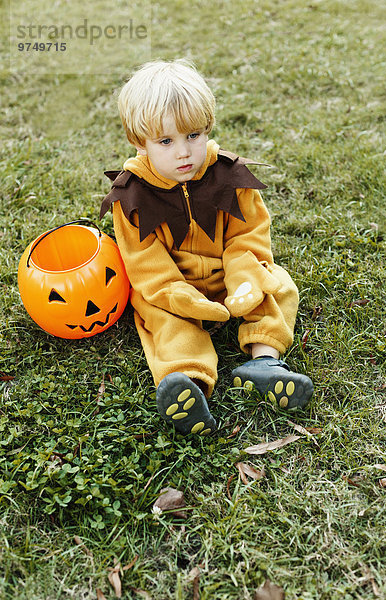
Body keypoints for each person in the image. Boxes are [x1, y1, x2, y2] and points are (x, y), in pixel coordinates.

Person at [100, 59, 313, 436]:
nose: (183, 153)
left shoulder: (230, 177)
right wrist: (181, 297)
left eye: (193, 136)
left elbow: (248, 239)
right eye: (166, 141)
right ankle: (189, 386)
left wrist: (244, 279)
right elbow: (146, 265)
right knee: (162, 320)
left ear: (207, 128)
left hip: (231, 277)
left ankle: (264, 363)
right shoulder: (130, 197)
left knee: (276, 285)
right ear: (139, 142)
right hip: (173, 288)